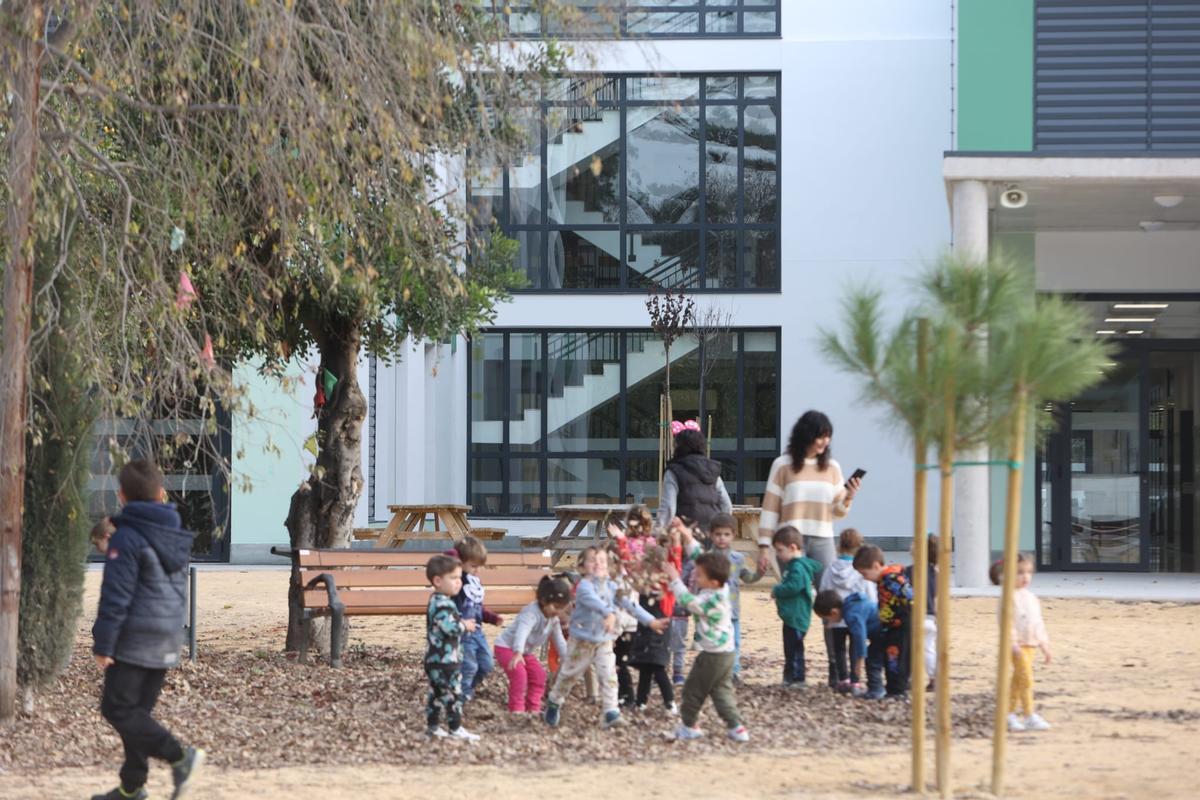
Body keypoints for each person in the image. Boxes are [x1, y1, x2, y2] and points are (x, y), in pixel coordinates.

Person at [91, 460, 204, 800]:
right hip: (167, 636)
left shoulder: (126, 538)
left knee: (117, 709)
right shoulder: (171, 531)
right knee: (136, 714)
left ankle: (180, 756)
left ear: (122, 494)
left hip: (136, 639)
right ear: (159, 494)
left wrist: (104, 644)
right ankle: (132, 787)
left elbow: (116, 595)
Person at [543, 547, 670, 729]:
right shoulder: (583, 587)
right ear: (582, 567)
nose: (598, 564)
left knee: (609, 675)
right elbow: (594, 601)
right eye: (593, 560)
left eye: (602, 561)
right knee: (568, 676)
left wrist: (650, 621)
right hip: (582, 641)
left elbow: (630, 604)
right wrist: (609, 613)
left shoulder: (611, 586)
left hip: (603, 641)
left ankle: (611, 712)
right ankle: (554, 702)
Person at [756, 411, 862, 578]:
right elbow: (770, 508)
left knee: (827, 594)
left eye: (828, 437)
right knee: (795, 595)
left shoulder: (832, 467)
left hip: (823, 539)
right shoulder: (782, 465)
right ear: (806, 435)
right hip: (789, 540)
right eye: (820, 436)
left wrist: (849, 497)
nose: (825, 442)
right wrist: (764, 547)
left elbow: (837, 513)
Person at [665, 552, 749, 743]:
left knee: (692, 690)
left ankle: (689, 726)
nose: (695, 576)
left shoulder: (708, 601)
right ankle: (736, 727)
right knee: (721, 691)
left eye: (700, 575)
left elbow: (687, 601)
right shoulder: (724, 588)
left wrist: (675, 579)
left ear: (714, 582)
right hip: (727, 654)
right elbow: (703, 558)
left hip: (712, 657)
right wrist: (688, 538)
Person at [493, 575, 572, 715]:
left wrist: (567, 659)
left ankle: (533, 707)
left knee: (539, 675)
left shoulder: (553, 619)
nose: (558, 611)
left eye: (561, 608)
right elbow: (522, 632)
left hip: (524, 652)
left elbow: (559, 639)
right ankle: (516, 709)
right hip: (507, 647)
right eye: (555, 606)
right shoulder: (531, 613)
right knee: (519, 674)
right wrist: (517, 652)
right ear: (543, 601)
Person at [990, 555, 1052, 732]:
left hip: (1031, 644)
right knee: (1026, 679)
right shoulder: (1008, 597)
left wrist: (1044, 644)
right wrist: (1012, 643)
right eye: (1019, 573)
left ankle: (1008, 714)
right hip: (1016, 646)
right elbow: (1006, 622)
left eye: (1029, 572)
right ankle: (1029, 714)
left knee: (1018, 681)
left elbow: (1038, 622)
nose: (1025, 577)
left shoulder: (1031, 597)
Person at [424, 554, 481, 741]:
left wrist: (461, 621)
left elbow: (444, 622)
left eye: (460, 578)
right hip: (445, 660)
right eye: (454, 578)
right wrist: (465, 626)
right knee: (453, 693)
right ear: (438, 581)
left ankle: (433, 727)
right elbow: (449, 628)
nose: (459, 582)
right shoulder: (442, 603)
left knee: (436, 694)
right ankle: (455, 728)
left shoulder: (439, 601)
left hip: (436, 660)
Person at [707, 512, 763, 684]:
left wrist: (759, 573)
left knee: (735, 641)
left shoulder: (738, 558)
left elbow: (747, 577)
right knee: (715, 643)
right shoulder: (707, 558)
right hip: (714, 611)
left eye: (726, 534)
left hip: (732, 610)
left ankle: (734, 672)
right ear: (711, 535)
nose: (722, 538)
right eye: (718, 534)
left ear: (733, 535)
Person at [818, 528, 877, 692]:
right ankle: (855, 680)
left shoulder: (831, 568)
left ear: (838, 546)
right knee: (854, 647)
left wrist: (827, 614)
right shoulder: (860, 570)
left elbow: (824, 589)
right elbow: (869, 591)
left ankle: (842, 678)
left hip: (836, 617)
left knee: (838, 649)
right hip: (857, 616)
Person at [853, 544, 913, 699]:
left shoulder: (891, 580)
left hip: (900, 627)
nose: (864, 577)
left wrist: (904, 618)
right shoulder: (884, 581)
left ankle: (897, 690)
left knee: (896, 658)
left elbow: (909, 599)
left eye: (864, 573)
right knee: (889, 657)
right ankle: (893, 688)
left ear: (875, 565)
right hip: (890, 626)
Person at [771, 526, 823, 689]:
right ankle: (789, 678)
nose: (778, 555)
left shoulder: (798, 567)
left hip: (797, 616)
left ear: (793, 548)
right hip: (792, 616)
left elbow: (794, 586)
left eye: (780, 550)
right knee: (790, 648)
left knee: (794, 649)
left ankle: (797, 678)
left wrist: (777, 590)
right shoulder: (794, 566)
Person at [656, 422, 732, 531]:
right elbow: (726, 505)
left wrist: (658, 531)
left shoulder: (674, 471)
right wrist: (721, 529)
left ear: (678, 447)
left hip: (685, 531)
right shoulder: (712, 470)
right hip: (711, 531)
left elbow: (668, 508)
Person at [452, 536, 501, 701]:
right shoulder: (457, 581)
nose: (477, 570)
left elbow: (478, 607)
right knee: (469, 666)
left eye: (480, 566)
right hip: (463, 634)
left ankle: (466, 688)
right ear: (460, 562)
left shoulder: (475, 581)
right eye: (473, 566)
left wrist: (492, 618)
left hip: (478, 633)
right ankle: (462, 696)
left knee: (487, 664)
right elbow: (452, 608)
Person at [629, 555, 676, 714]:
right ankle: (641, 702)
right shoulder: (642, 588)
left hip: (660, 633)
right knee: (645, 668)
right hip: (645, 631)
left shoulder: (666, 593)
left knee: (657, 667)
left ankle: (670, 702)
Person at [813, 589, 880, 698]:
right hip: (881, 632)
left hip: (883, 633)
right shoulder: (850, 604)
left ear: (834, 612)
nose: (829, 622)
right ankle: (880, 689)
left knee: (872, 661)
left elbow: (860, 638)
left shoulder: (851, 615)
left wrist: (859, 662)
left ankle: (876, 690)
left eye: (827, 619)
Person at [904, 534, 938, 688]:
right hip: (930, 617)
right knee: (928, 649)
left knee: (909, 649)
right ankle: (934, 678)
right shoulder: (935, 574)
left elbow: (904, 592)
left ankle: (908, 679)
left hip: (915, 617)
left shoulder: (909, 571)